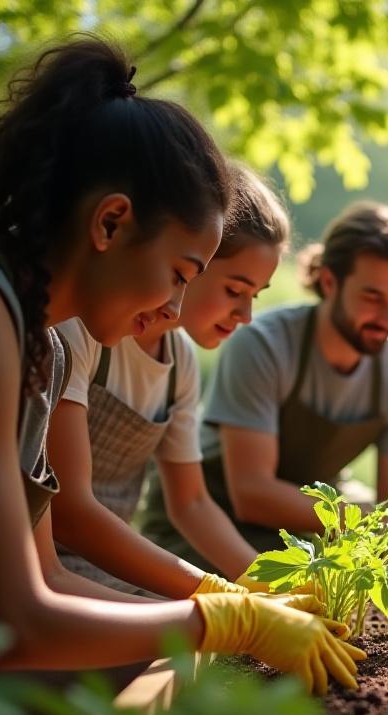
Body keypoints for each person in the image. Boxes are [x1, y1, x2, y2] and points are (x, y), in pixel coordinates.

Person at [0, 38, 361, 694]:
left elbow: (46, 577)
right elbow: (17, 620)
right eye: (180, 273)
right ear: (110, 223)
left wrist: (235, 613)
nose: (174, 304)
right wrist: (221, 621)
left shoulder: (31, 340)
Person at [144, 201, 388, 582]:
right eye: (372, 298)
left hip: (297, 536)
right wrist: (372, 521)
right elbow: (252, 492)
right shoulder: (264, 346)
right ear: (328, 282)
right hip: (204, 530)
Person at [47, 163, 295, 600]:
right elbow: (69, 511)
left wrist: (262, 585)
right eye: (234, 290)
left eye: (254, 296)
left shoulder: (180, 360)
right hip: (46, 563)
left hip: (110, 563)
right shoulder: (83, 332)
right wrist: (225, 600)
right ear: (194, 262)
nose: (246, 316)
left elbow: (193, 504)